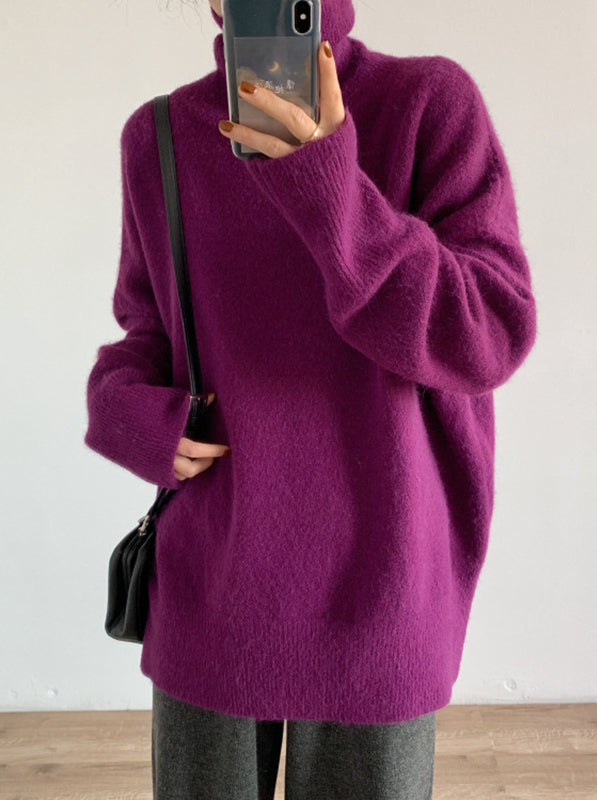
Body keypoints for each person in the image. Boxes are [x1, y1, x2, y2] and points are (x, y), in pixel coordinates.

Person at [84, 0, 537, 797]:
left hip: (384, 587)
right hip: (214, 582)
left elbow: (489, 334)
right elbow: (147, 333)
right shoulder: (156, 136)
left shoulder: (429, 103)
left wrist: (330, 188)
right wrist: (124, 412)